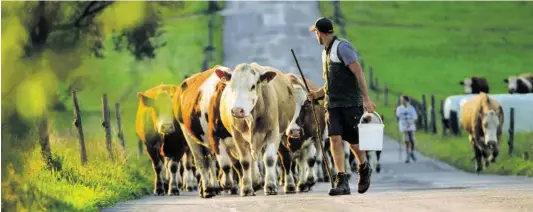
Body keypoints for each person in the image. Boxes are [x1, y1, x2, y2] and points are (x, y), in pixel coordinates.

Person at [307, 17, 376, 196]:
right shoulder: (325, 52)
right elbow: (331, 83)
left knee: (353, 142)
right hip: (332, 105)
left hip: (350, 103)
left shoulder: (343, 48)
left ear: (320, 33)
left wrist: (366, 99)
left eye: (316, 32)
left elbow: (358, 72)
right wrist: (317, 95)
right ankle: (342, 179)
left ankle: (364, 167)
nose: (316, 35)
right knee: (334, 138)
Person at [396, 95, 418, 163]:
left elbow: (415, 118)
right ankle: (407, 155)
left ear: (406, 100)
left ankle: (411, 152)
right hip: (404, 126)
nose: (401, 101)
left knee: (411, 140)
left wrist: (410, 124)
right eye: (401, 100)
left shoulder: (411, 108)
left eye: (402, 100)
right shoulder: (399, 108)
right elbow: (398, 116)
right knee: (406, 141)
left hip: (410, 126)